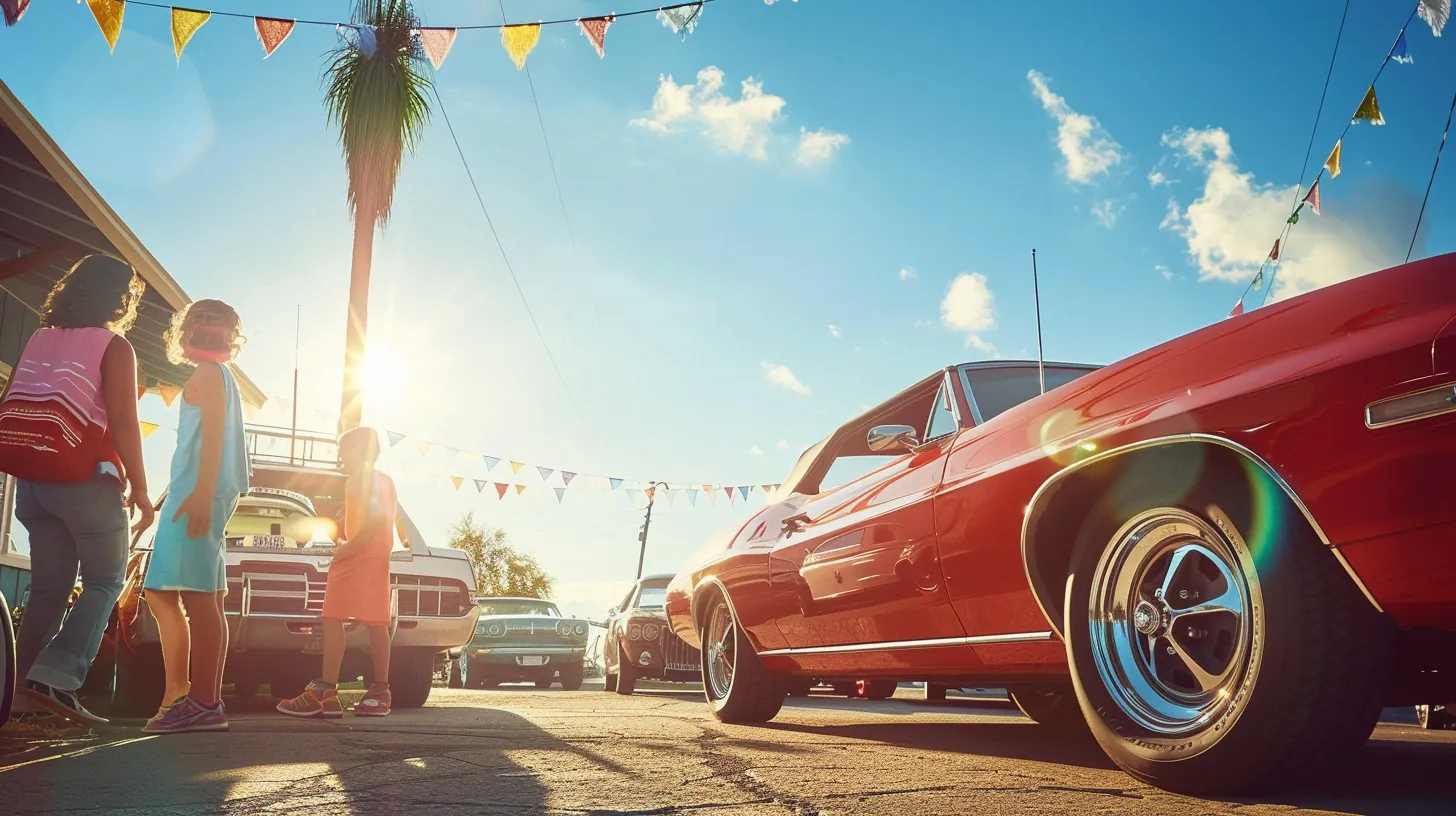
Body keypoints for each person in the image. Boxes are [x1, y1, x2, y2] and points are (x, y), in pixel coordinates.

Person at [1, 254, 155, 725]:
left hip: (32, 483)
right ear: (119, 297)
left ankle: (19, 695)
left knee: (49, 589)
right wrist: (143, 494)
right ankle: (57, 677)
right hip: (86, 481)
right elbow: (126, 424)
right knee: (106, 581)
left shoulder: (40, 338)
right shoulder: (114, 346)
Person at [140, 300, 250, 734]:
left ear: (228, 338)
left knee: (182, 596)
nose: (204, 332)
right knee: (199, 596)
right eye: (198, 323)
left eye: (214, 326)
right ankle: (193, 697)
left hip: (195, 495)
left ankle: (198, 700)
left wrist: (202, 494)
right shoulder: (221, 376)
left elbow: (213, 441)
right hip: (205, 493)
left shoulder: (208, 374)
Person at [278, 427, 398, 719]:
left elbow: (375, 517)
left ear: (360, 450)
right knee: (376, 622)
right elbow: (384, 519)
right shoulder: (385, 480)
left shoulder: (359, 479)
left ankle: (326, 691)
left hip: (358, 555)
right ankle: (380, 690)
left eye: (343, 449)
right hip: (377, 555)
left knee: (332, 617)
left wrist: (347, 548)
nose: (339, 456)